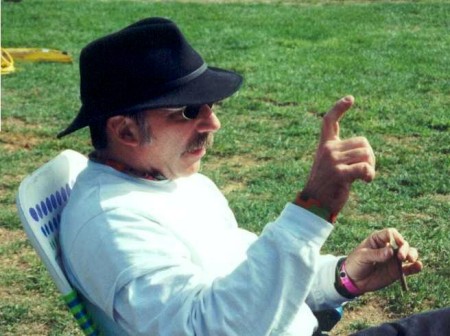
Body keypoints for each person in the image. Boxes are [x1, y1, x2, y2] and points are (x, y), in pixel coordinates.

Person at [57, 17, 448, 336]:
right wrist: (314, 206)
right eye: (190, 110)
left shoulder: (173, 181)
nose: (214, 122)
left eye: (211, 104)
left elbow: (249, 285)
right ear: (124, 131)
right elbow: (209, 329)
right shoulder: (112, 222)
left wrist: (344, 277)